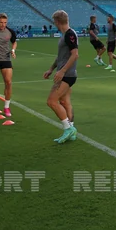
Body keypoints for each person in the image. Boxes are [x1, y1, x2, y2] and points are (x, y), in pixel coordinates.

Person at [43, 10, 79, 144]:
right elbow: (61, 56)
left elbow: (75, 54)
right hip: (67, 73)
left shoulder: (70, 34)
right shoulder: (65, 35)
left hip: (67, 75)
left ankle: (68, 128)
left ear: (57, 21)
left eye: (54, 22)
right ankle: (72, 129)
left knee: (51, 101)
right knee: (64, 102)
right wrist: (51, 69)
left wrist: (62, 71)